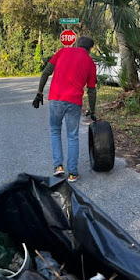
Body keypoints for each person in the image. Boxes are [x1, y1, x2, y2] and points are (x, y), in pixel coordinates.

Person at [32, 36, 97, 183]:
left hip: (56, 99)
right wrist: (92, 110)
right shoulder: (90, 63)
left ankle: (58, 167)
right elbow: (92, 90)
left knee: (55, 131)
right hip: (74, 102)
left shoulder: (62, 52)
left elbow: (45, 73)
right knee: (72, 136)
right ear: (89, 49)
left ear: (77, 44)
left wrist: (39, 93)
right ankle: (73, 173)